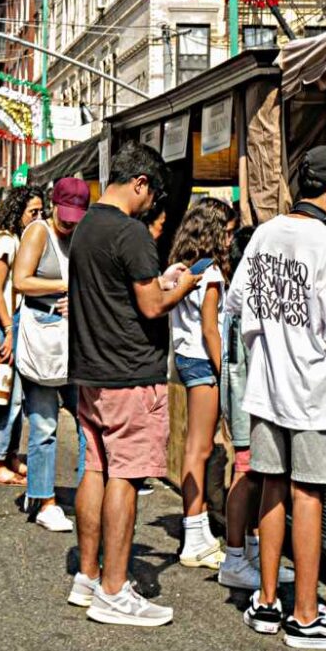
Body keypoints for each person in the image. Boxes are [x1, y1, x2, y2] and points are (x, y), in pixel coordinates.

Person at [232, 146, 326, 649]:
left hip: (267, 388)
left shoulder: (265, 234)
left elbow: (238, 305)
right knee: (308, 495)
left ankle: (267, 603)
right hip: (312, 391)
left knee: (272, 487)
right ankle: (306, 617)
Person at [65, 142, 199, 626]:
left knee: (96, 470)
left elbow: (120, 291)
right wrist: (185, 283)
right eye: (154, 194)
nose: (154, 203)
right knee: (126, 475)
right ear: (140, 183)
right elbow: (150, 307)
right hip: (130, 372)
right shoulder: (132, 233)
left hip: (91, 370)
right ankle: (115, 591)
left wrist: (159, 279)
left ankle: (87, 576)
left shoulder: (85, 229)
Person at [217, 225, 295, 592]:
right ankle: (235, 557)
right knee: (247, 474)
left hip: (245, 399)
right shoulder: (244, 301)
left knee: (255, 475)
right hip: (249, 400)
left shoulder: (240, 298)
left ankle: (251, 553)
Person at [12, 177, 89, 533]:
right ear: (53, 204)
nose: (70, 222)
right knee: (44, 424)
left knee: (88, 422)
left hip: (75, 340)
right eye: (66, 214)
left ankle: (89, 492)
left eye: (77, 215)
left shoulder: (83, 233)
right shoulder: (38, 232)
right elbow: (21, 281)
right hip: (44, 335)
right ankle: (45, 499)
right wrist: (64, 286)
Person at [167, 198, 236, 570]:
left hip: (185, 357)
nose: (228, 241)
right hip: (203, 362)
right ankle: (194, 534)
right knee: (200, 448)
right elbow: (211, 330)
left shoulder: (185, 268)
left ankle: (197, 529)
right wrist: (224, 368)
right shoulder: (209, 274)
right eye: (225, 233)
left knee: (198, 446)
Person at [0, 186, 44, 487]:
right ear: (18, 212)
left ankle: (9, 454)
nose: (38, 217)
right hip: (2, 320)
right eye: (33, 211)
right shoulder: (6, 241)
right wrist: (7, 329)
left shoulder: (18, 239)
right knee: (7, 393)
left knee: (16, 392)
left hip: (9, 320)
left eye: (42, 211)